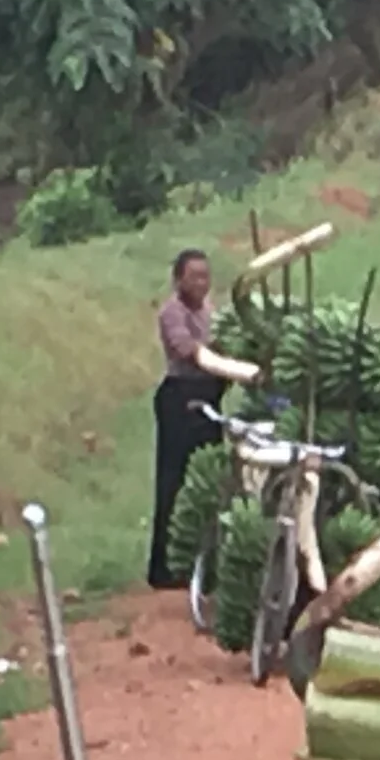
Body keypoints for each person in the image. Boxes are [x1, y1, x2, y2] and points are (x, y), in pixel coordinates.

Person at [149, 248, 225, 590]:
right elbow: (188, 351)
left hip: (209, 399)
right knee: (173, 481)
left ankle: (203, 565)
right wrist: (225, 360)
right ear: (178, 279)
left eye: (205, 276)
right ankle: (164, 567)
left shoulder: (210, 311)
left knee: (210, 479)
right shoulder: (171, 313)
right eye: (194, 276)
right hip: (180, 398)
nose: (201, 283)